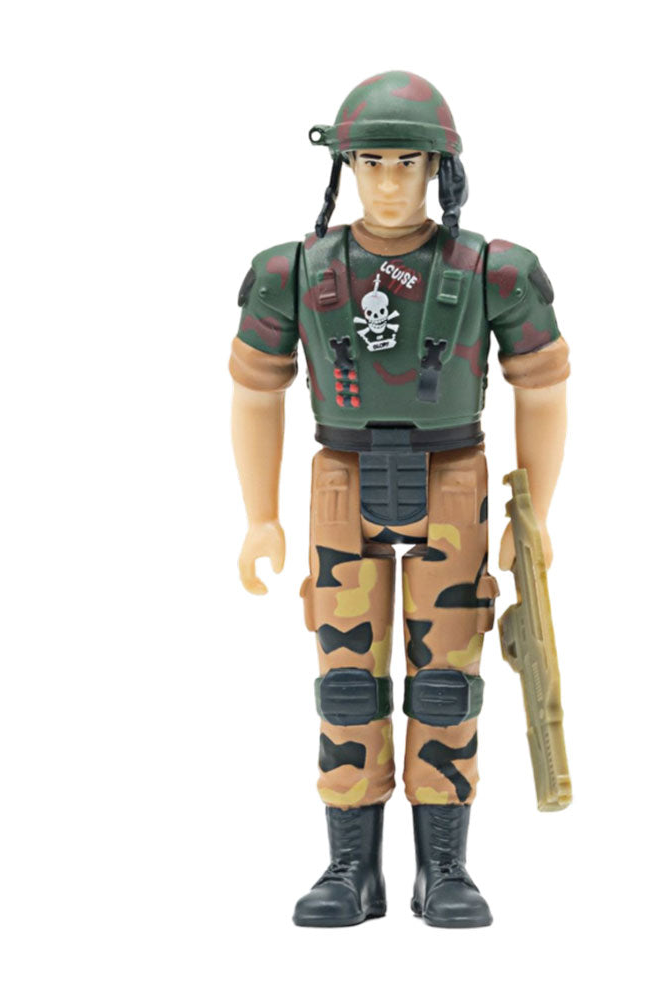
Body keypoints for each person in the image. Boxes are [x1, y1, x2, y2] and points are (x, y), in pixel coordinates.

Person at [229, 71, 570, 928]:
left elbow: (542, 386)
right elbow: (256, 389)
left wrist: (534, 512)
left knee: (447, 680)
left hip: (452, 478)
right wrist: (260, 515)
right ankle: (352, 869)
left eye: (407, 163)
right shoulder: (290, 272)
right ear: (345, 167)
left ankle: (443, 868)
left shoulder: (494, 270)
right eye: (371, 163)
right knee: (346, 682)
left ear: (438, 170)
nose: (388, 183)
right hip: (341, 479)